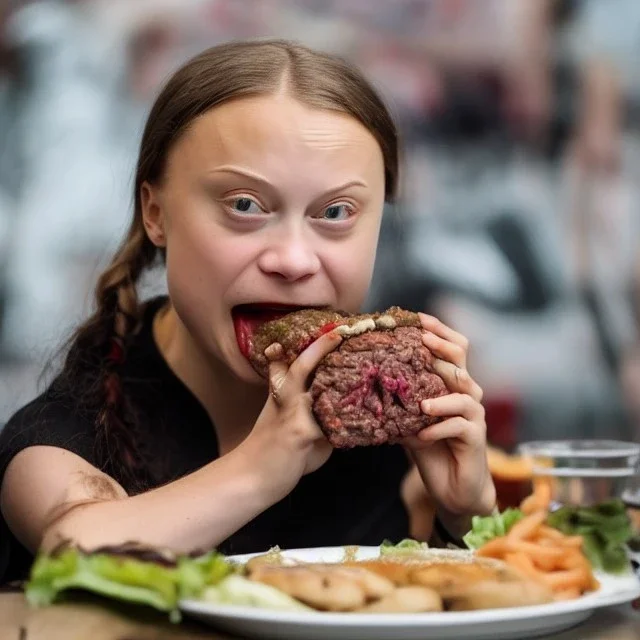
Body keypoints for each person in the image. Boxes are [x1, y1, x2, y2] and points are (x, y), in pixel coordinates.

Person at [0, 39, 495, 583]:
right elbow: (70, 553)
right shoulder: (66, 434)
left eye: (335, 212)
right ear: (155, 212)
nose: (292, 260)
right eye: (245, 206)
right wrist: (263, 467)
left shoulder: (386, 427)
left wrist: (462, 517)